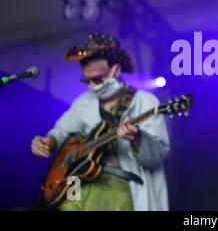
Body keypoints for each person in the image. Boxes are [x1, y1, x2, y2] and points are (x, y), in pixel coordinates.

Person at [31, 33, 170, 211]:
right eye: (87, 80)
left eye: (97, 79)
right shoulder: (83, 101)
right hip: (76, 182)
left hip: (118, 183)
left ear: (116, 70)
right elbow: (60, 132)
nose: (92, 86)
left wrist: (137, 138)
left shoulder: (145, 101)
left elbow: (158, 155)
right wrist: (49, 142)